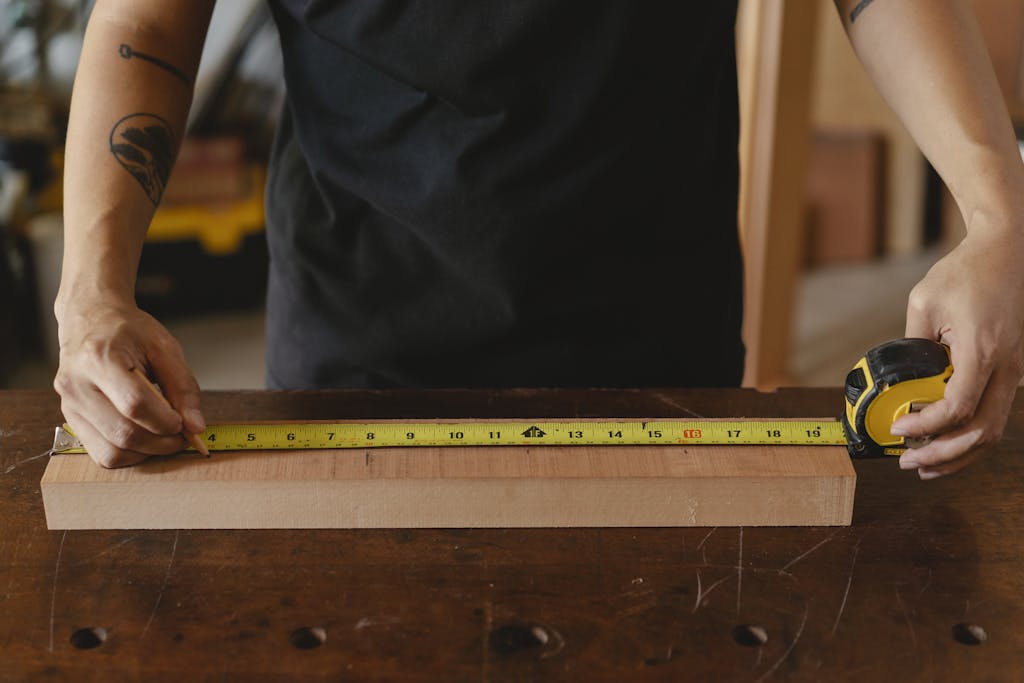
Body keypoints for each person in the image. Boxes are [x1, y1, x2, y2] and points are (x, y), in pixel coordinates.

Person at [55, 0, 1024, 478]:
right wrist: (91, 288)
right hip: (352, 356)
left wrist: (997, 215)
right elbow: (147, 16)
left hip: (659, 352)